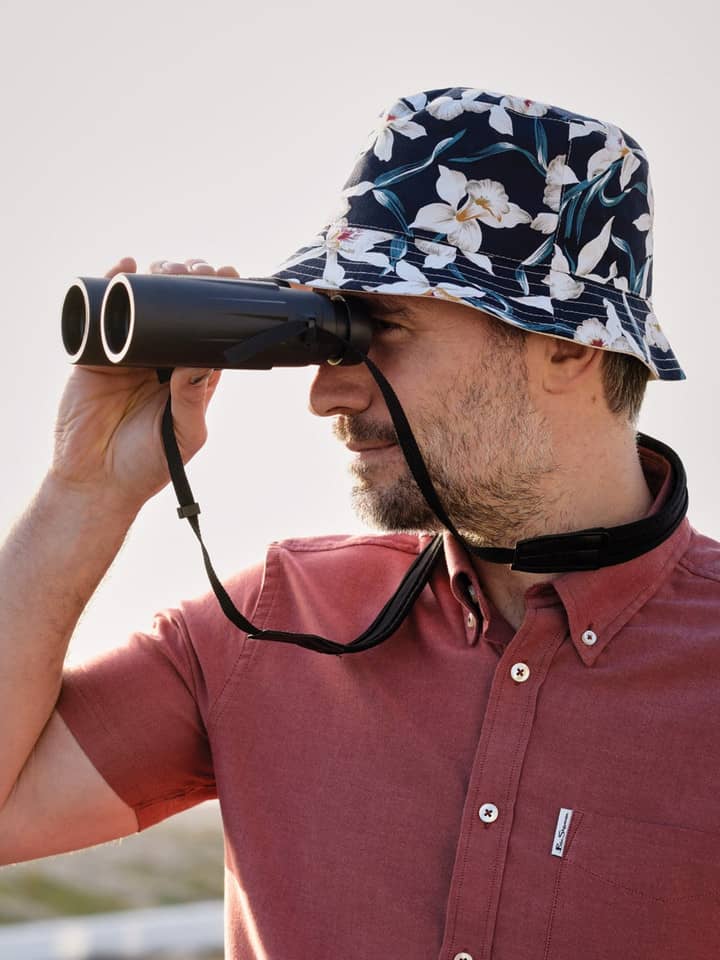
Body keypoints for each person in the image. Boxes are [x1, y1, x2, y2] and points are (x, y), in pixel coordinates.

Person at [1, 86, 718, 960]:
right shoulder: (272, 619)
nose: (324, 393)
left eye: (379, 331)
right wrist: (86, 490)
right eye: (326, 335)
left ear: (567, 344)